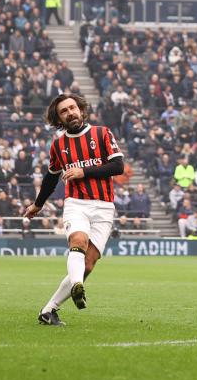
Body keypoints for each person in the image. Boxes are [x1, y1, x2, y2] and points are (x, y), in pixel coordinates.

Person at [24, 94, 125, 326]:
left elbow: (118, 166)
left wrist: (83, 172)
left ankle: (49, 310)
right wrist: (38, 204)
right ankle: (78, 286)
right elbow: (51, 178)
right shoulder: (58, 145)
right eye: (64, 111)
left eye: (73, 108)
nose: (70, 113)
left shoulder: (102, 133)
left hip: (104, 206)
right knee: (77, 240)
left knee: (87, 264)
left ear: (81, 109)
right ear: (58, 118)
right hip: (76, 203)